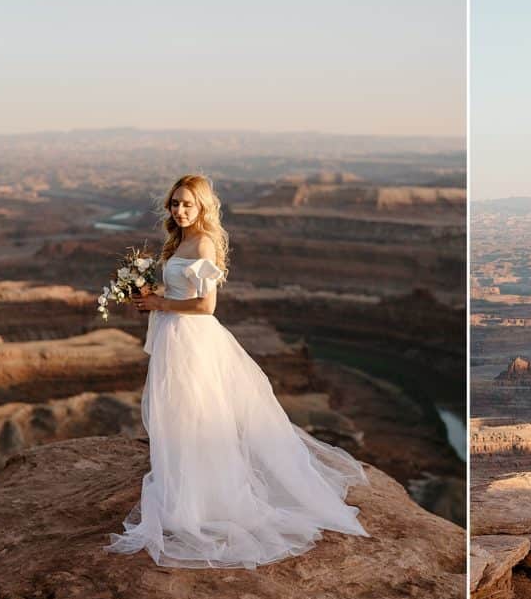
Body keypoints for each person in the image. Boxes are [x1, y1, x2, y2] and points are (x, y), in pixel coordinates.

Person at [105, 174, 369, 569]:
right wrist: (150, 296)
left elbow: (206, 306)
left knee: (198, 415)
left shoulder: (204, 242)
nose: (179, 210)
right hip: (172, 336)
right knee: (178, 415)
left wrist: (161, 305)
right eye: (175, 203)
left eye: (187, 204)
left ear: (202, 207)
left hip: (192, 337)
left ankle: (205, 502)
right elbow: (179, 295)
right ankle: (185, 493)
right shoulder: (177, 241)